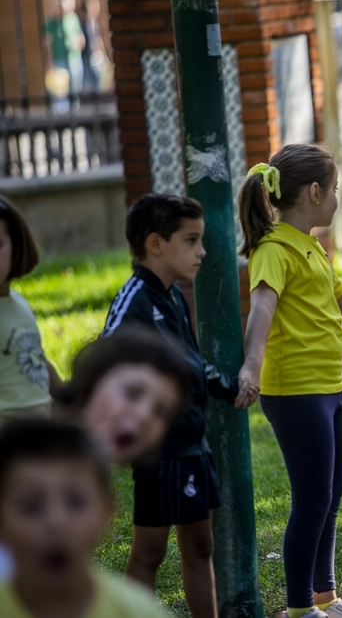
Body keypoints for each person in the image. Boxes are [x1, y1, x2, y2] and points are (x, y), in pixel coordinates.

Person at [238, 144, 342, 618]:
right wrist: (251, 364)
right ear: (313, 192)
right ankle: (299, 609)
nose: (336, 199)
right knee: (311, 498)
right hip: (295, 391)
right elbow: (263, 307)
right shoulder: (273, 249)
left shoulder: (310, 245)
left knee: (329, 496)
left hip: (329, 387)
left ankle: (324, 596)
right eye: (334, 191)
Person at [100, 193, 251, 618]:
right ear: (155, 244)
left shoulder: (173, 298)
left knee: (200, 544)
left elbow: (190, 360)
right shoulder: (136, 300)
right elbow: (104, 358)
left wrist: (226, 386)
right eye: (191, 240)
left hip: (191, 445)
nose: (202, 251)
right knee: (149, 551)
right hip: (160, 451)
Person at [0, 418, 173, 618]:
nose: (56, 523)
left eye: (76, 502)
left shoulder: (139, 613)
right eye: (31, 507)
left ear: (106, 512)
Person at [54, 328, 192, 464]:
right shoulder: (42, 468)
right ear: (89, 386)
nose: (144, 415)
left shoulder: (89, 476)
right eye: (132, 394)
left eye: (161, 411)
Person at [0, 195, 60, 423]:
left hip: (35, 437)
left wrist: (66, 395)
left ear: (17, 246)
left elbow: (35, 360)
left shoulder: (18, 303)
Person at [43, 0, 85, 109]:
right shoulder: (49, 23)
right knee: (60, 93)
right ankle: (61, 119)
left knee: (75, 91)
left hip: (74, 59)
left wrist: (78, 43)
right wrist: (49, 63)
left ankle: (75, 115)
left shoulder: (73, 18)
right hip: (58, 61)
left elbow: (81, 37)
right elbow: (47, 45)